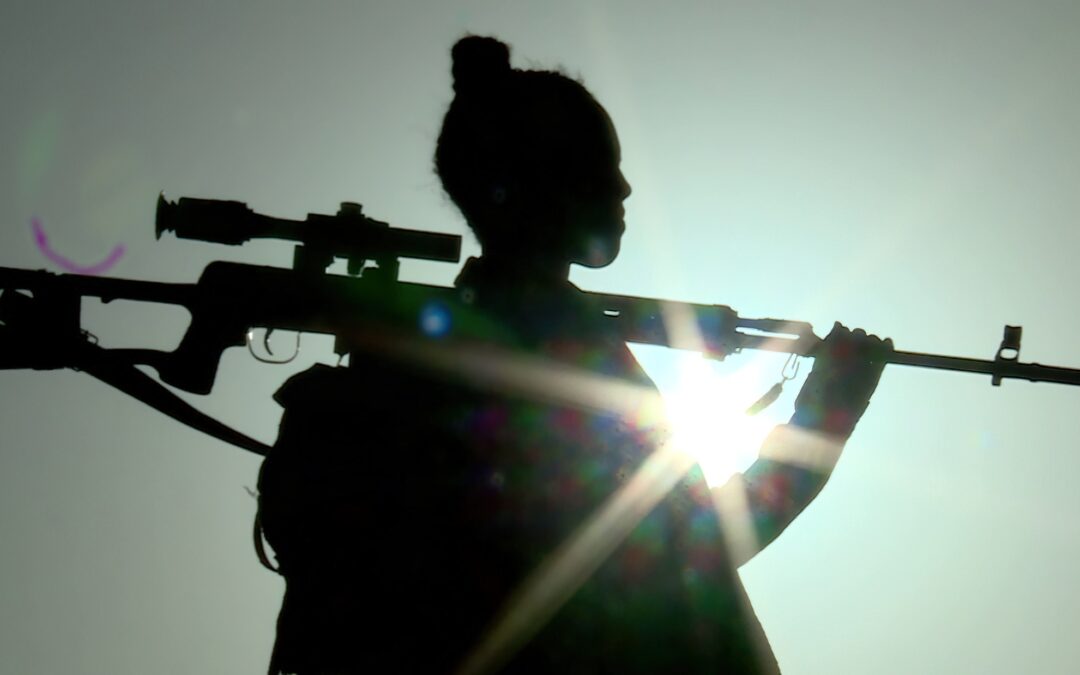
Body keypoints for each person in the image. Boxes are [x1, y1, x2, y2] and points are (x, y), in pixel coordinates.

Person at [255, 35, 890, 674]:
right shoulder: (560, 357)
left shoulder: (440, 346)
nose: (623, 187)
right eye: (597, 165)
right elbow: (708, 539)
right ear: (541, 183)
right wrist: (826, 414)